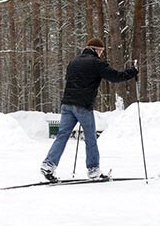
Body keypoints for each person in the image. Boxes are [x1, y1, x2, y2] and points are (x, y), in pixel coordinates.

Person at [41, 38, 138, 181]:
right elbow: (115, 77)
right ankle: (93, 170)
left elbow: (71, 79)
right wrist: (132, 71)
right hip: (83, 106)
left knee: (62, 136)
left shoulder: (73, 62)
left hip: (67, 104)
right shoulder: (96, 63)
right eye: (101, 51)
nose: (101, 54)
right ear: (97, 50)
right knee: (90, 137)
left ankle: (48, 164)